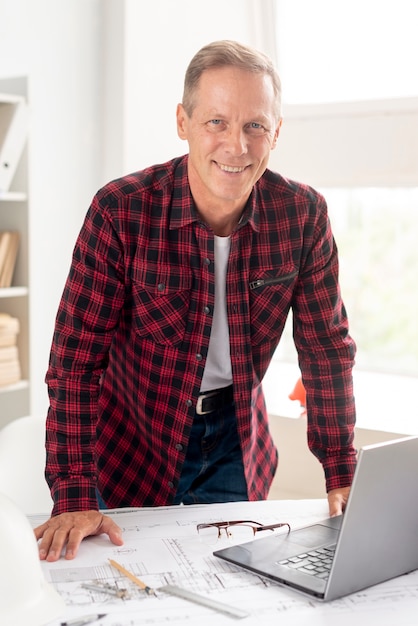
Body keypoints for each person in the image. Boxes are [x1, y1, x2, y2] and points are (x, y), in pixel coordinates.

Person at [35, 40, 357, 562]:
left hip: (236, 442)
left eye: (255, 125)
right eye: (216, 122)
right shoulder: (121, 211)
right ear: (183, 122)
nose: (237, 145)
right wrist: (73, 492)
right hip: (128, 441)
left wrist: (342, 471)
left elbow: (326, 350)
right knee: (117, 585)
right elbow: (74, 365)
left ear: (276, 132)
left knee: (232, 585)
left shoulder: (303, 215)